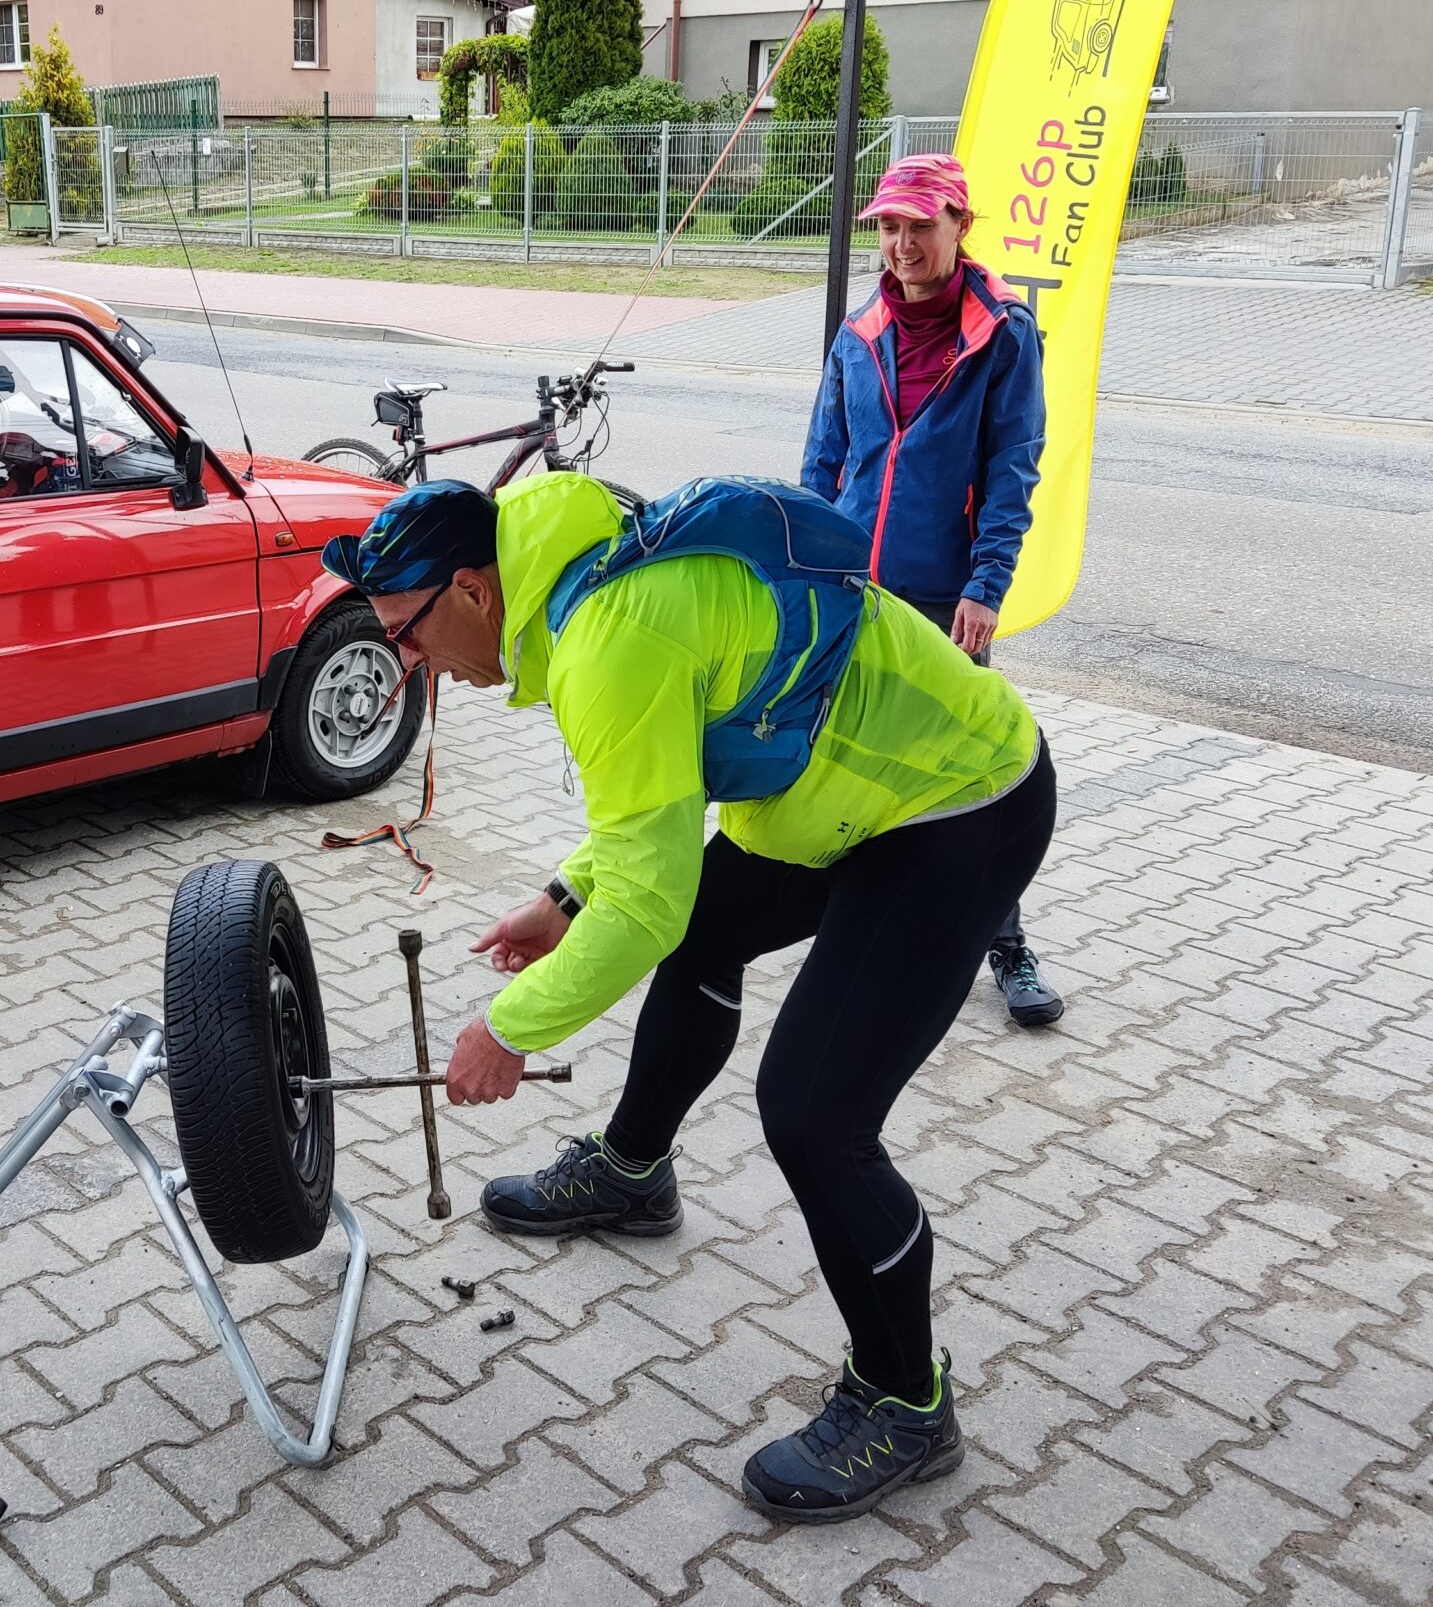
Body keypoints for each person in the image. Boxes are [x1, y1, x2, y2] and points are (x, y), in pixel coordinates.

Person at [323, 472, 1054, 1524]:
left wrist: (508, 1030)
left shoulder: (605, 638)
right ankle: (631, 1176)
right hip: (843, 786)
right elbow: (655, 811)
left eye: (406, 634)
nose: (408, 664)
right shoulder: (578, 584)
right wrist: (564, 898)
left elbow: (646, 902)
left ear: (474, 591)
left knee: (815, 1113)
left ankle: (905, 1400)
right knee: (707, 929)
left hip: (954, 801)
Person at [801, 152, 1062, 1028]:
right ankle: (866, 922)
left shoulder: (1003, 334)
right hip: (858, 586)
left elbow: (1012, 468)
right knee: (854, 754)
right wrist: (811, 563)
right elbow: (822, 463)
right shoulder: (859, 330)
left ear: (960, 224)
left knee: (970, 770)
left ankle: (1004, 941)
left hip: (949, 595)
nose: (902, 243)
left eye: (920, 224)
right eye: (888, 225)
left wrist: (986, 587)